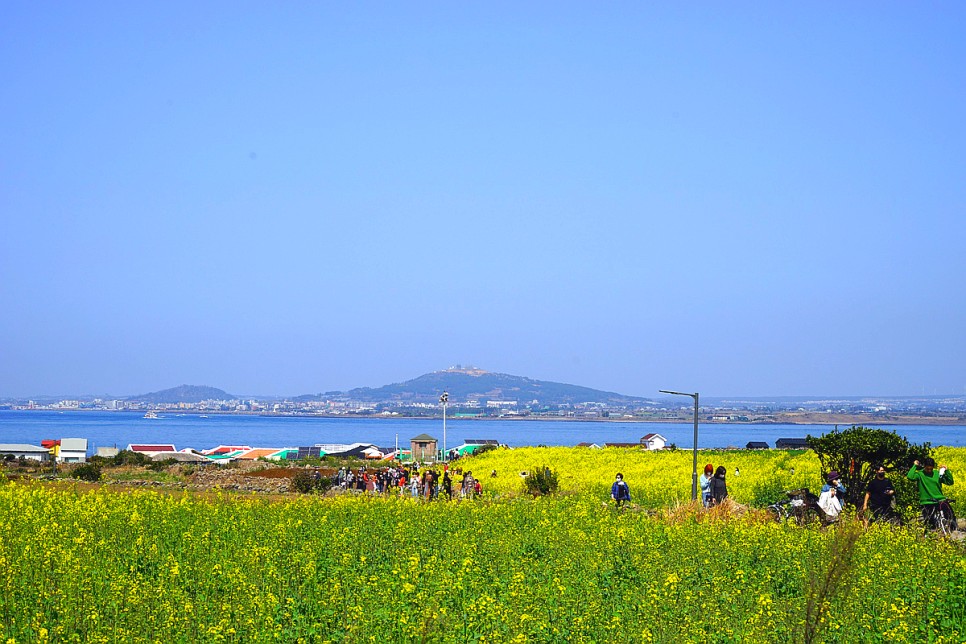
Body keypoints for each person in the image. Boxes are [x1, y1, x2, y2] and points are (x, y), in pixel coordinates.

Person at [907, 457, 955, 529]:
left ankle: (953, 534)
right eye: (927, 469)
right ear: (924, 466)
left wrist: (946, 471)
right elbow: (910, 477)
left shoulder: (937, 473)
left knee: (951, 517)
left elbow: (950, 482)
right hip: (927, 501)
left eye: (931, 469)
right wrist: (915, 466)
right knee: (930, 523)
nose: (929, 470)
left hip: (940, 499)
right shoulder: (920, 474)